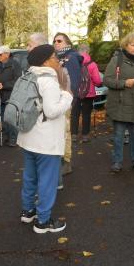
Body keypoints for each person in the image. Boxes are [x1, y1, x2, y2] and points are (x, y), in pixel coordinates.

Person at [17, 44, 73, 233]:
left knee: (30, 176)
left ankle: (28, 211)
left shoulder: (28, 76)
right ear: (46, 61)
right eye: (55, 57)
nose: (58, 60)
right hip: (46, 140)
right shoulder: (48, 80)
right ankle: (43, 220)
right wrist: (66, 97)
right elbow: (51, 111)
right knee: (47, 181)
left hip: (27, 137)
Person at [104, 33, 134, 172]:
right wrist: (123, 83)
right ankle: (117, 162)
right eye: (133, 45)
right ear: (126, 45)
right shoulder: (117, 60)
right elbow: (107, 80)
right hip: (120, 104)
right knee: (119, 135)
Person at [53, 32, 82, 175]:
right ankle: (59, 159)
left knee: (65, 130)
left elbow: (75, 81)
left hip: (65, 100)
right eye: (55, 41)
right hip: (55, 100)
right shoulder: (56, 57)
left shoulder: (71, 58)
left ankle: (67, 161)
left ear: (67, 43)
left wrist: (68, 99)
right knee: (58, 130)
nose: (56, 43)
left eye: (59, 41)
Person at [71, 43, 102, 142]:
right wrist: (98, 84)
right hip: (88, 93)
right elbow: (97, 80)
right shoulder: (92, 64)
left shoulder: (73, 62)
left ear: (77, 51)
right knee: (86, 114)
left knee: (75, 114)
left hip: (76, 93)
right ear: (88, 51)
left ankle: (74, 135)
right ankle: (85, 136)